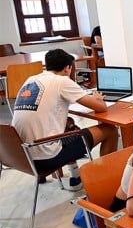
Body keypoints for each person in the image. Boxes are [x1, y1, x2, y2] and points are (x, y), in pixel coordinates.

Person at [11, 49, 118, 190]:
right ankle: (108, 179)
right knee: (110, 130)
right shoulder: (62, 81)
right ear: (68, 67)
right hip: (45, 158)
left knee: (68, 123)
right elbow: (101, 108)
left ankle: (75, 177)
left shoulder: (31, 79)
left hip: (21, 156)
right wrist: (97, 98)